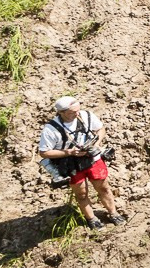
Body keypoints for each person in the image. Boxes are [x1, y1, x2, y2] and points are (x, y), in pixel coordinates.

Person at [38, 96, 124, 229]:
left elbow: (101, 129)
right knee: (81, 193)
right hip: (70, 164)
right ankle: (92, 219)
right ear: (61, 112)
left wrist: (96, 143)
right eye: (72, 112)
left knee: (103, 187)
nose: (77, 113)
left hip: (92, 158)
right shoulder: (51, 129)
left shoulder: (86, 116)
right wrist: (70, 152)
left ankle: (113, 212)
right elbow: (44, 152)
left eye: (78, 110)